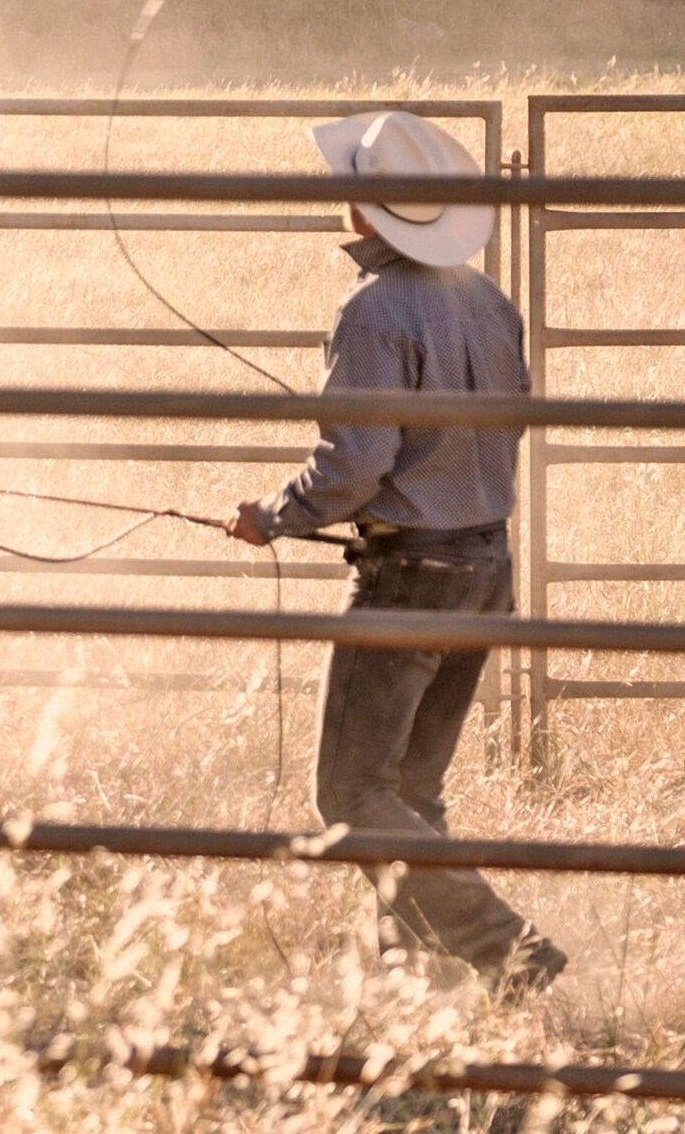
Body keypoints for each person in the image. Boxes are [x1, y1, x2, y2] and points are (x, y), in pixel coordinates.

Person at [224, 107, 567, 1000]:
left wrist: (277, 514)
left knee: (351, 794)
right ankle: (416, 978)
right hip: (484, 567)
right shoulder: (489, 303)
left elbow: (357, 462)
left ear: (367, 212)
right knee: (411, 791)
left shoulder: (375, 312)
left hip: (411, 574)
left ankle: (507, 949)